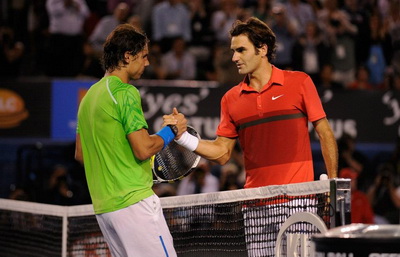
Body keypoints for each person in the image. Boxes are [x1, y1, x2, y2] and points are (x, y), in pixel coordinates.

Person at [172, 17, 338, 256]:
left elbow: (325, 133)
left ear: (262, 49)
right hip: (255, 204)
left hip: (297, 204)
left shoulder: (299, 82)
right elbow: (221, 153)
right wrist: (182, 137)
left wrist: (333, 182)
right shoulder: (230, 99)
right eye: (233, 51)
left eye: (241, 50)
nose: (234, 58)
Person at [75, 24, 187, 257]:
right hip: (134, 204)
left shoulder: (87, 99)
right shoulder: (125, 92)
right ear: (128, 56)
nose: (147, 63)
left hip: (105, 209)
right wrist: (171, 130)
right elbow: (144, 148)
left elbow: (81, 154)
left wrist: (119, 168)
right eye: (144, 56)